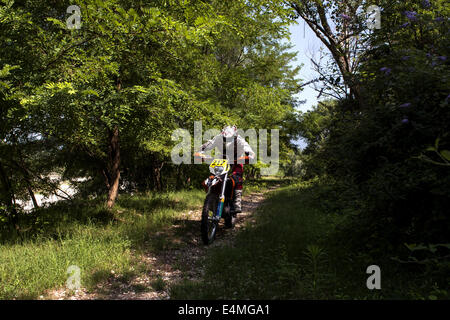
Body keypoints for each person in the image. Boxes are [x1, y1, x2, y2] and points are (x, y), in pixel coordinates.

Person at [194, 125, 255, 214]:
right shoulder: (218, 137)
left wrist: (250, 156)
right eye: (225, 139)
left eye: (230, 139)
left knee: (237, 177)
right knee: (214, 176)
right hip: (222, 159)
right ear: (222, 135)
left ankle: (237, 203)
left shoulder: (240, 140)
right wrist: (200, 152)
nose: (227, 142)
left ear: (235, 137)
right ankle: (211, 197)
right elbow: (208, 144)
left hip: (237, 159)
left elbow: (248, 150)